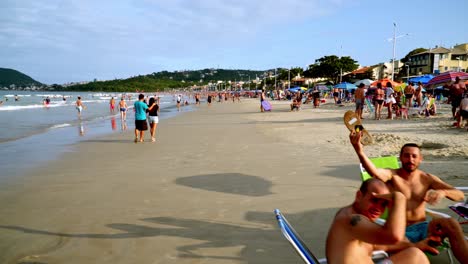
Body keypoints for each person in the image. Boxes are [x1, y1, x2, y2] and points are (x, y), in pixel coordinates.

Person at [349, 132, 465, 246]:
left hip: (424, 228)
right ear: (400, 157)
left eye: (414, 156)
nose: (410, 160)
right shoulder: (392, 175)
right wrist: (359, 151)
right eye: (406, 156)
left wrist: (443, 192)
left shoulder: (427, 179)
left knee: (451, 224)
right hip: (400, 231)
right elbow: (374, 172)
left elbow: (460, 195)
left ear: (420, 159)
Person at [326, 178, 429, 264]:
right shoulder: (350, 220)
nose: (378, 208)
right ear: (359, 196)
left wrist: (416, 245)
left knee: (413, 253)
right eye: (374, 200)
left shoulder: (360, 224)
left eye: (383, 204)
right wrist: (399, 199)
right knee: (416, 256)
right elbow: (395, 236)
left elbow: (383, 245)